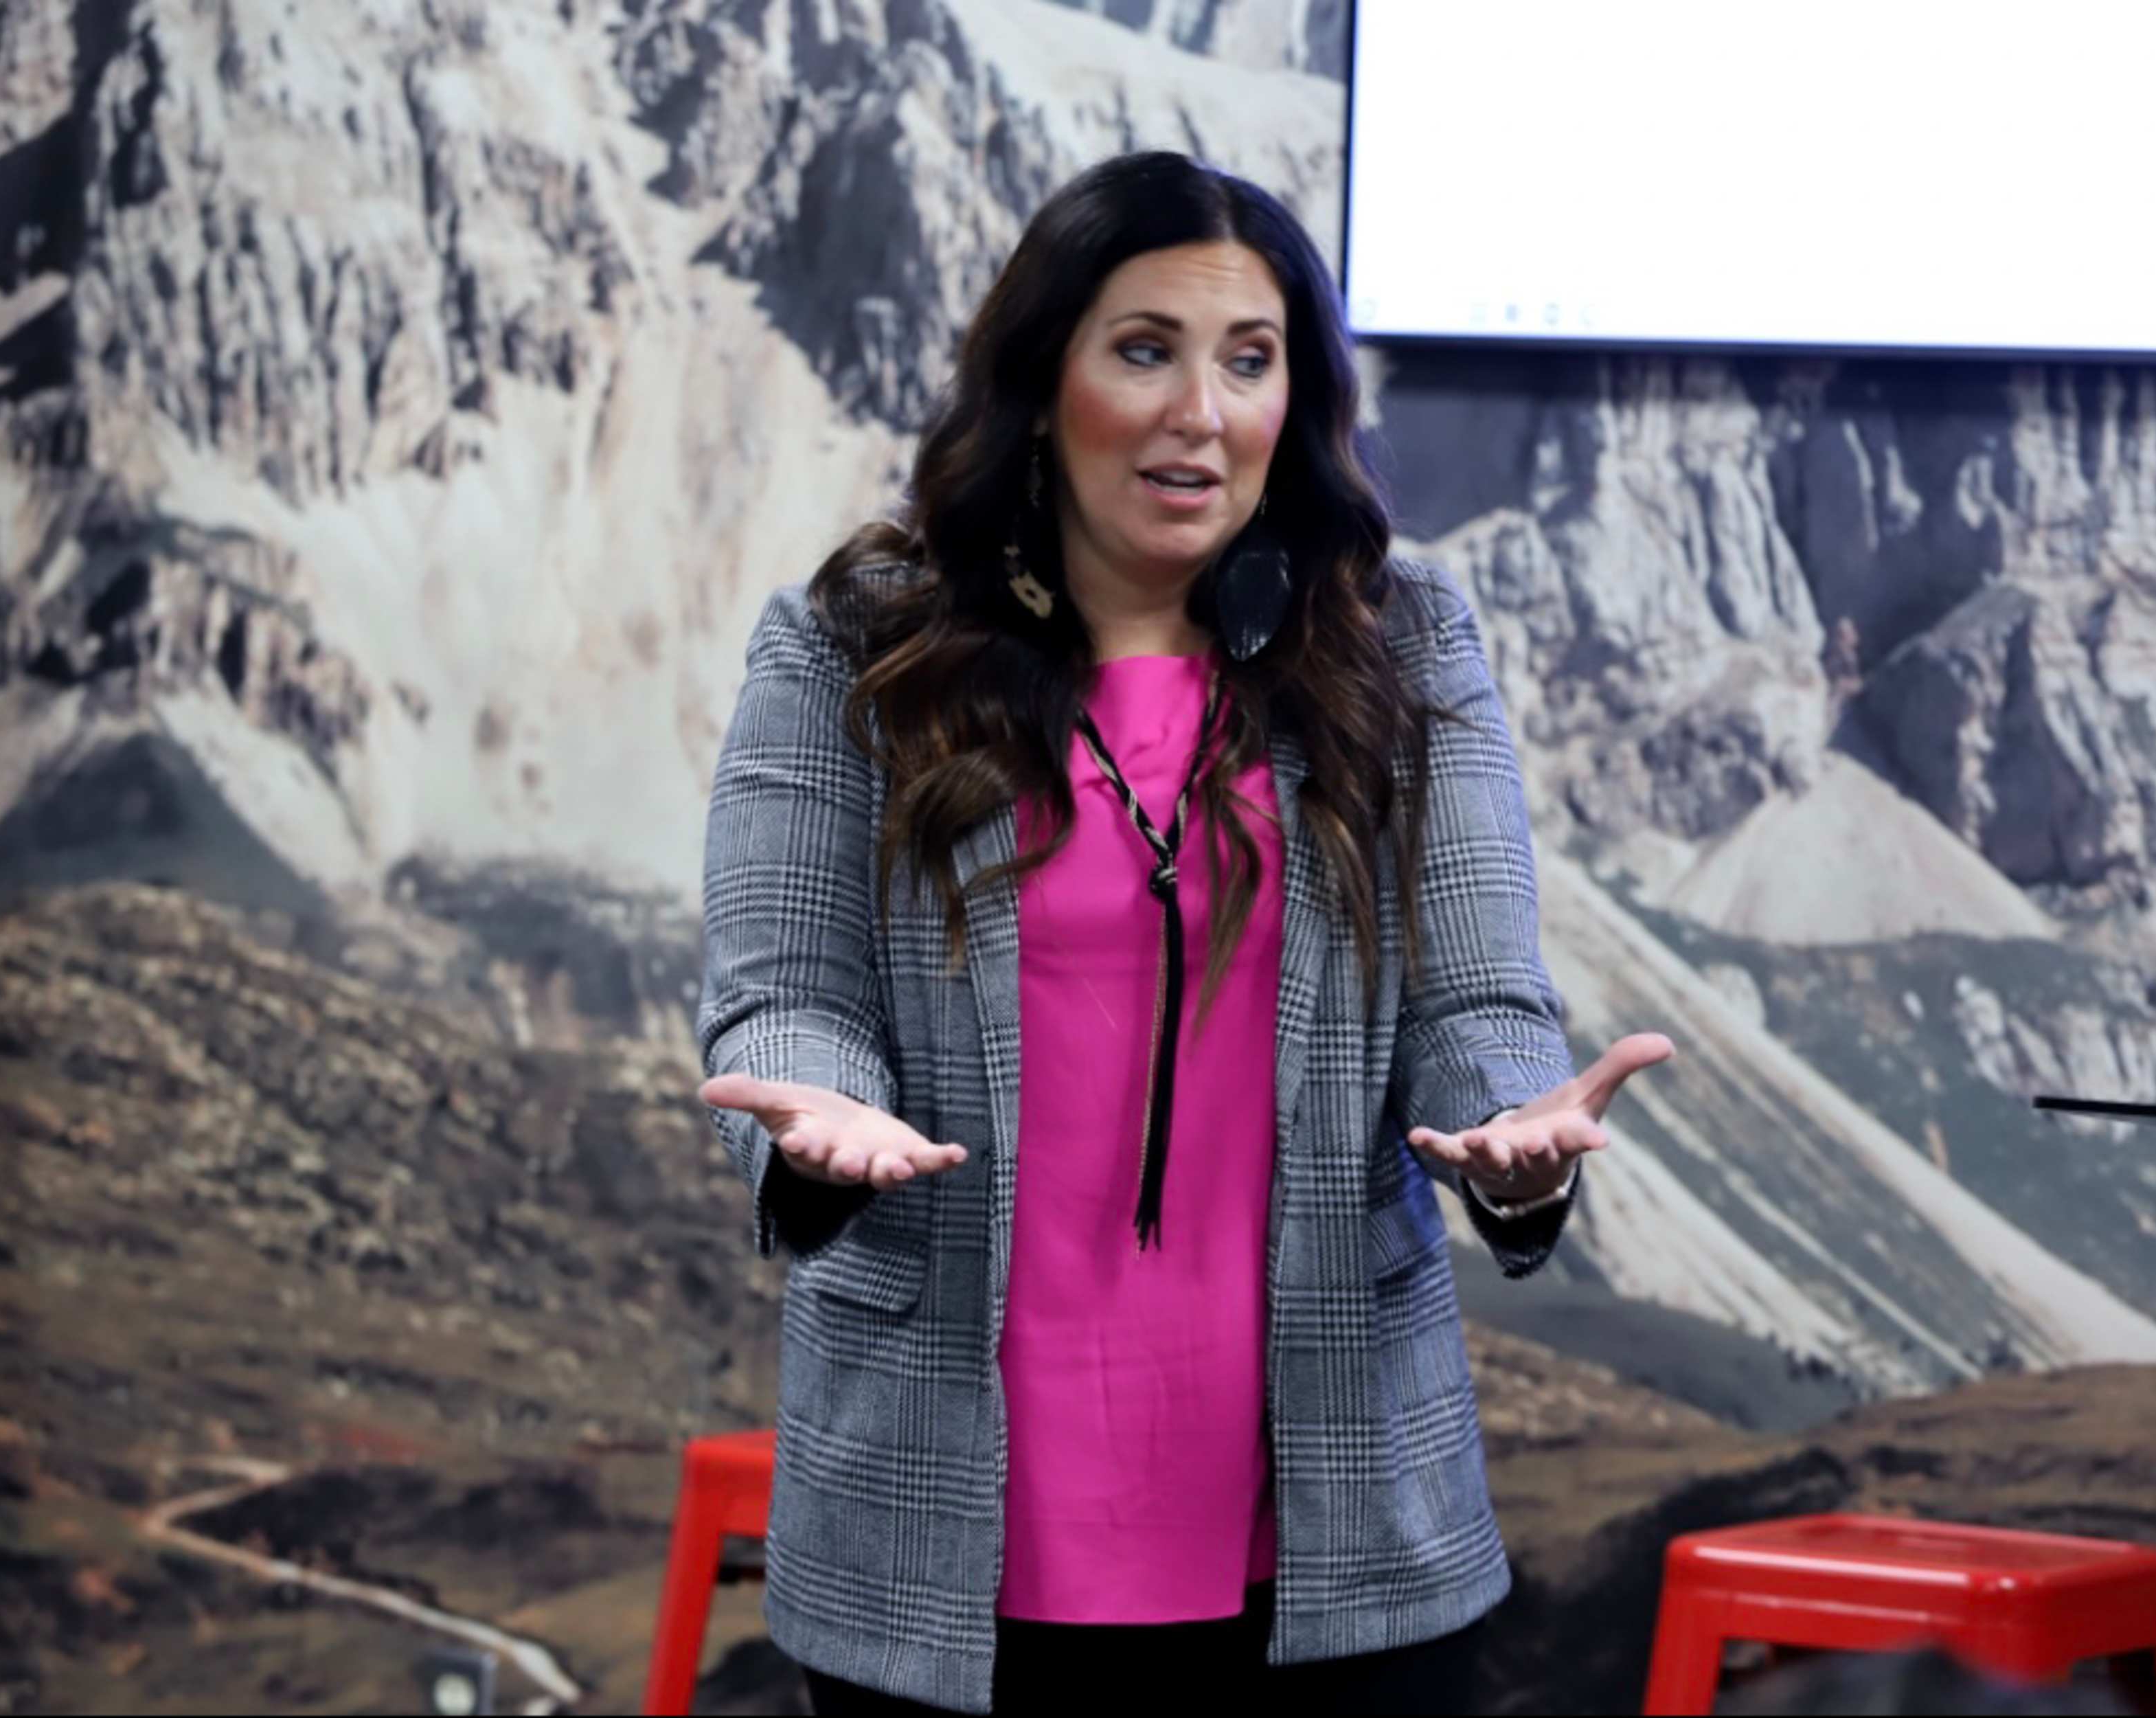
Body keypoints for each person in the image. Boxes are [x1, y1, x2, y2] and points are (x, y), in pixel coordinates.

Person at [695, 150, 1673, 1715]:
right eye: (1143, 350)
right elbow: (781, 999)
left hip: (1334, 1530)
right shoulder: (854, 646)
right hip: (944, 1528)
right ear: (1044, 378)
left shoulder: (1399, 637)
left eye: (1249, 362)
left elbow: (1481, 992)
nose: (1199, 415)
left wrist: (1513, 1126)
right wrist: (820, 1122)